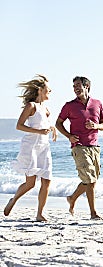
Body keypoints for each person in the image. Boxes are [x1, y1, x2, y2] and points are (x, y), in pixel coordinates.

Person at [4, 75, 57, 222]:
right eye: (48, 88)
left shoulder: (46, 109)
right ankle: (13, 199)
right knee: (30, 183)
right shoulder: (31, 106)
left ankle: (40, 214)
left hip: (44, 147)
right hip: (31, 147)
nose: (50, 91)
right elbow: (19, 125)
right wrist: (39, 132)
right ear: (40, 90)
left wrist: (52, 128)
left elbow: (44, 124)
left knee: (47, 180)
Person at [55, 76, 103, 220]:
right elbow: (58, 123)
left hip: (94, 146)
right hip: (79, 146)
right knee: (89, 180)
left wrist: (96, 126)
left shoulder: (97, 103)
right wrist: (68, 136)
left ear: (87, 86)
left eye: (78, 85)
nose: (75, 88)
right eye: (74, 86)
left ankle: (72, 198)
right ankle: (93, 213)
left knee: (92, 180)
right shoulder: (69, 106)